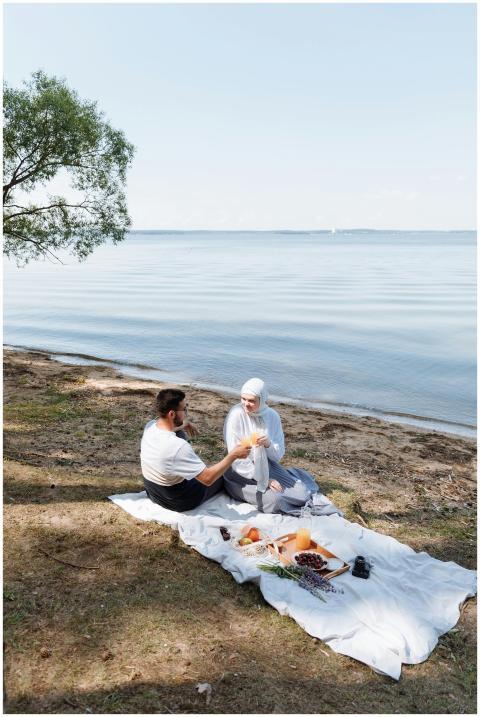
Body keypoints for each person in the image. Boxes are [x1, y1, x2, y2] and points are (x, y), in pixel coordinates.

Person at [223, 377, 340, 515]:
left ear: (262, 399)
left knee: (302, 494)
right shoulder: (236, 414)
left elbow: (277, 456)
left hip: (266, 465)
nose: (246, 404)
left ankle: (293, 476)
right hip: (239, 471)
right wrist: (264, 480)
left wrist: (268, 444)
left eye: (251, 401)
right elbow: (235, 458)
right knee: (275, 501)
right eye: (243, 399)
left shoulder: (272, 416)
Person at [141, 388, 251, 512]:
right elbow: (208, 479)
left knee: (180, 433)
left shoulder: (150, 426)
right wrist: (233, 455)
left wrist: (185, 425)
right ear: (172, 414)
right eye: (184, 409)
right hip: (177, 501)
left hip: (153, 492)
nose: (187, 412)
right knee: (225, 474)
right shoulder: (178, 447)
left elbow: (170, 430)